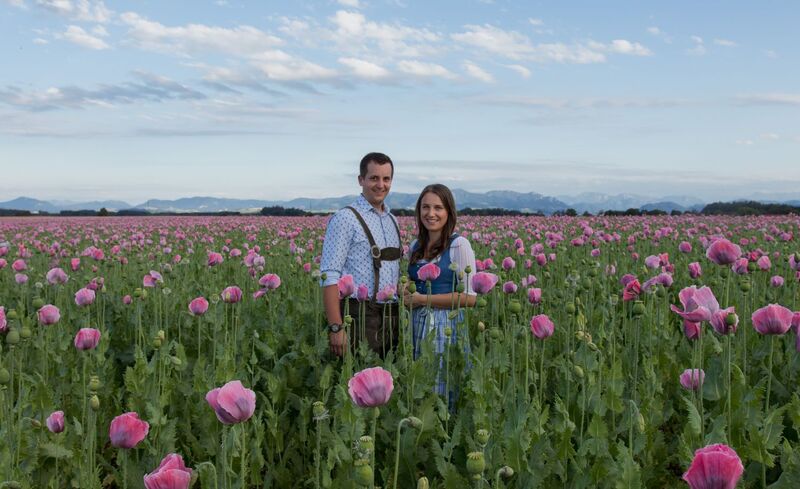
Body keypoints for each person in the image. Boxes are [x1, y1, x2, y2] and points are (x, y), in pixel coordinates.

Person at [320, 152, 402, 358]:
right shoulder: (345, 219)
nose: (380, 185)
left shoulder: (393, 221)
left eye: (386, 179)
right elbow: (330, 276)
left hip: (393, 316)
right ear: (361, 180)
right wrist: (336, 328)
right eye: (374, 178)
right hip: (359, 317)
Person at [402, 183, 477, 398]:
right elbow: (412, 280)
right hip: (416, 324)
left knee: (442, 387)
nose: (431, 213)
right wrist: (405, 288)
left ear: (448, 212)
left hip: (447, 325)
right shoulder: (415, 246)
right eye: (425, 207)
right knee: (419, 385)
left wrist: (422, 299)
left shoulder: (459, 245)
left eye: (438, 208)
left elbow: (470, 298)